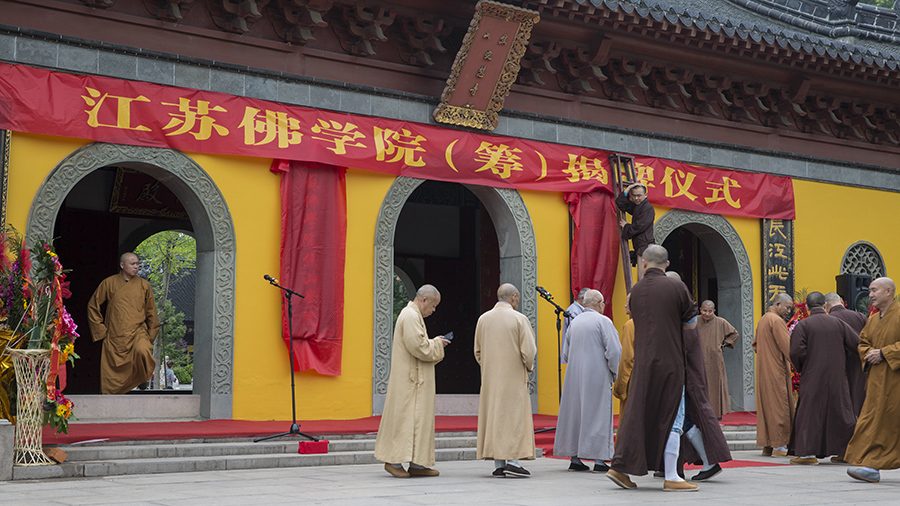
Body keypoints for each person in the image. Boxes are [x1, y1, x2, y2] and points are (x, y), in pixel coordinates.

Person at [606, 245, 700, 492]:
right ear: (667, 264)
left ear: (644, 263)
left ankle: (620, 467)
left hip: (644, 362)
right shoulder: (677, 287)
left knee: (637, 415)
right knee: (674, 417)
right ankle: (671, 476)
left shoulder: (635, 292)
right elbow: (691, 322)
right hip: (670, 362)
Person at [374, 284, 450, 478]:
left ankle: (418, 464)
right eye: (433, 306)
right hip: (409, 381)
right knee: (404, 420)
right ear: (424, 300)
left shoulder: (414, 315)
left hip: (417, 380)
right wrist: (437, 344)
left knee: (419, 422)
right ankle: (393, 461)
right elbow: (419, 347)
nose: (433, 310)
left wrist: (434, 342)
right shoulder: (409, 315)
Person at [554, 289, 622, 473]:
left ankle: (575, 458)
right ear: (600, 303)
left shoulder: (575, 323)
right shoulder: (603, 321)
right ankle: (600, 460)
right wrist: (616, 374)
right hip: (597, 376)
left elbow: (566, 354)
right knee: (598, 416)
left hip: (574, 376)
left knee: (576, 416)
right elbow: (615, 352)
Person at [788, 291, 859, 465]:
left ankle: (807, 455)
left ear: (806, 306)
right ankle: (845, 452)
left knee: (809, 412)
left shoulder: (803, 325)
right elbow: (857, 344)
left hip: (813, 375)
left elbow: (796, 352)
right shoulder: (838, 323)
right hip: (837, 376)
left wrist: (804, 366)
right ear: (825, 306)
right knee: (841, 412)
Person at [475, 283, 537, 478]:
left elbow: (477, 351)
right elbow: (529, 350)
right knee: (512, 417)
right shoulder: (519, 319)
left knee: (495, 416)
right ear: (514, 297)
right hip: (513, 376)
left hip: (491, 377)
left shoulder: (483, 319)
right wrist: (528, 367)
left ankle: (498, 464)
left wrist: (488, 366)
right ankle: (513, 461)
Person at [845, 278, 900, 484]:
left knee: (890, 423)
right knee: (872, 421)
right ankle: (870, 464)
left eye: (874, 290)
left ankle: (872, 466)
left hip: (895, 381)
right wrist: (870, 353)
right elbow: (863, 342)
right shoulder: (873, 320)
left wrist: (884, 353)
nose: (870, 295)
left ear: (888, 291)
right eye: (869, 290)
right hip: (877, 381)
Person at [87, 252, 160, 395]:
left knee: (143, 350)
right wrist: (101, 330)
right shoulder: (108, 283)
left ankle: (141, 378)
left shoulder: (144, 285)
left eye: (138, 264)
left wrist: (150, 335)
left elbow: (151, 312)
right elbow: (93, 305)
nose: (136, 266)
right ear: (122, 265)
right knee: (111, 375)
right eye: (132, 264)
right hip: (115, 334)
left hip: (138, 333)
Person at [752, 292, 795, 457]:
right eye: (787, 307)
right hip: (776, 370)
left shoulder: (763, 319)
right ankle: (779, 446)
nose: (788, 311)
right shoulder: (777, 321)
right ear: (777, 304)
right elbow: (788, 347)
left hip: (764, 370)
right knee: (779, 406)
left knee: (767, 407)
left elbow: (755, 345)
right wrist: (801, 364)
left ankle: (768, 445)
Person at [825, 291, 868, 416]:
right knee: (859, 398)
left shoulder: (829, 320)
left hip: (838, 364)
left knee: (842, 401)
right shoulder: (860, 316)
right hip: (859, 362)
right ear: (842, 302)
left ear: (825, 305)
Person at [697, 300, 740, 419]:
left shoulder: (720, 322)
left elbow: (734, 334)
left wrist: (724, 344)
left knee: (715, 386)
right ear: (700, 310)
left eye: (710, 311)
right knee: (699, 385)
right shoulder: (695, 321)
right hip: (698, 360)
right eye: (704, 310)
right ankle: (699, 413)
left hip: (715, 361)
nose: (707, 313)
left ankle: (716, 414)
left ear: (714, 311)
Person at [616, 183, 654, 280]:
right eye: (634, 196)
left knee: (643, 278)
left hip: (645, 248)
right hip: (640, 247)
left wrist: (626, 226)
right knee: (641, 277)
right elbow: (621, 203)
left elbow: (640, 226)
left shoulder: (647, 208)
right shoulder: (638, 206)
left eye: (639, 196)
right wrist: (628, 188)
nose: (636, 198)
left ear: (645, 195)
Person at [613, 294, 634, 416]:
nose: (625, 305)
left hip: (634, 382)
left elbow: (627, 359)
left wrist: (620, 387)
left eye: (628, 302)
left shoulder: (630, 326)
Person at [560, 287, 589, 364]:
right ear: (583, 299)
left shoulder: (581, 310)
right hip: (576, 351)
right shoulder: (573, 310)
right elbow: (577, 331)